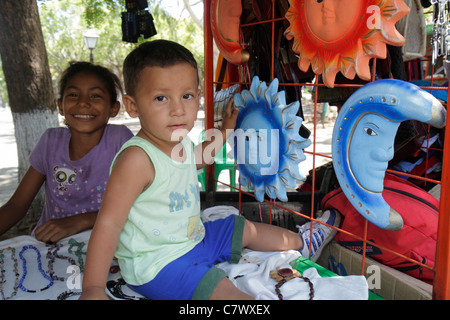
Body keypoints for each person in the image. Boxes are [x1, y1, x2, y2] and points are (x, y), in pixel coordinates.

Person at [80, 40, 340, 300]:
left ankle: (302, 242)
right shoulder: (136, 159)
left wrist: (226, 130)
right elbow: (109, 223)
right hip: (159, 264)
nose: (178, 109)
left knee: (241, 228)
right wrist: (92, 288)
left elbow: (199, 157)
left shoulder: (178, 137)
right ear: (132, 105)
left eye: (187, 96)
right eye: (161, 98)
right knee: (223, 290)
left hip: (195, 239)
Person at [0, 61, 134, 243]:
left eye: (95, 96)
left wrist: (82, 221)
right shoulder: (50, 142)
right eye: (73, 95)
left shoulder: (119, 139)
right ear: (60, 106)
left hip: (106, 245)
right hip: (50, 247)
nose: (83, 103)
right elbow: (16, 205)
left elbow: (139, 205)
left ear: (113, 108)